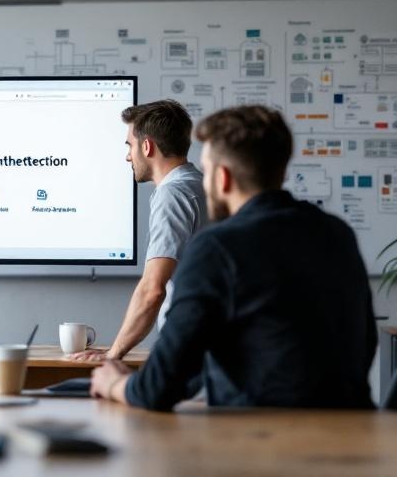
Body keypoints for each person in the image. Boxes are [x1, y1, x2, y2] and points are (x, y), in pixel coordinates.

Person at [90, 106, 377, 410]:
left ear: (222, 178)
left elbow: (158, 387)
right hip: (350, 428)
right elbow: (364, 344)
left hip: (259, 440)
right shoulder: (336, 232)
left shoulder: (216, 248)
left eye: (206, 169)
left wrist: (114, 382)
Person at [73, 99, 207, 361]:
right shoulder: (200, 185)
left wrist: (114, 353)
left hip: (188, 350)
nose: (127, 156)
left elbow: (152, 288)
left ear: (147, 147)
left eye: (129, 146)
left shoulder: (173, 194)